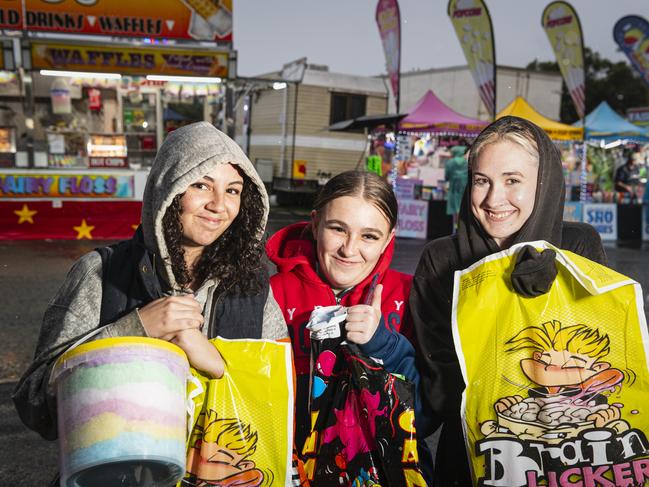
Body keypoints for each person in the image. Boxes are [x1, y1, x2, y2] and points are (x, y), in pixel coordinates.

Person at [13, 122, 288, 444]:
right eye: (201, 185)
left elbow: (278, 399)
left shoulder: (252, 284)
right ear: (166, 189)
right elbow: (36, 405)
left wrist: (219, 364)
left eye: (232, 190)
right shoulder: (101, 272)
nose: (218, 205)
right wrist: (133, 331)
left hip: (222, 471)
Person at [409, 116, 607, 485]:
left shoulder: (578, 248)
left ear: (543, 184)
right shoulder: (441, 259)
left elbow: (603, 352)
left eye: (512, 180)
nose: (493, 199)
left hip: (574, 452)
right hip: (473, 456)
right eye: (482, 181)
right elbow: (439, 379)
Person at [266, 170, 433, 480]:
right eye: (338, 229)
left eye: (369, 236)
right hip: (288, 471)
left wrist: (383, 343)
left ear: (388, 241)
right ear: (315, 224)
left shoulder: (409, 298)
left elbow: (424, 417)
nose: (349, 248)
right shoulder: (272, 295)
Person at [444, 145, 468, 229]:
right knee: (463, 205)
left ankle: (455, 227)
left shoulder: (450, 162)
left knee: (454, 206)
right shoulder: (467, 162)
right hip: (465, 186)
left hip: (454, 187)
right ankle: (462, 227)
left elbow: (446, 176)